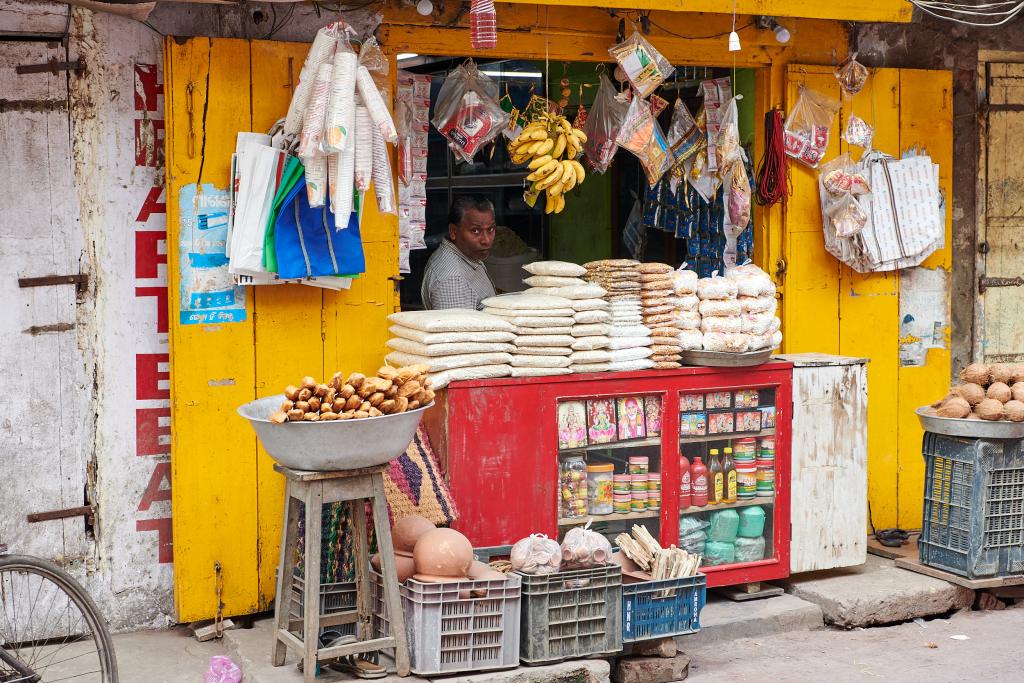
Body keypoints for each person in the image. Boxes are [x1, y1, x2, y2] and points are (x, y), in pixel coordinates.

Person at [421, 194, 497, 310]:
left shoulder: (469, 256)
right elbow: (457, 327)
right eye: (475, 231)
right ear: (454, 231)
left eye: (490, 229)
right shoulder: (453, 280)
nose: (486, 240)